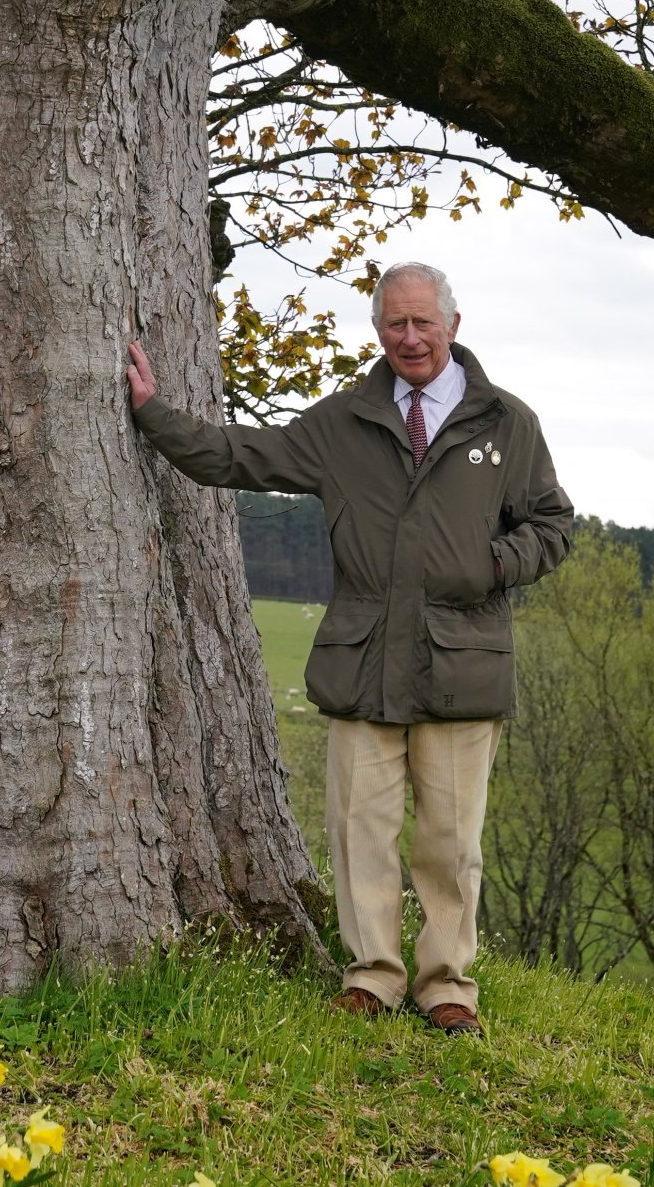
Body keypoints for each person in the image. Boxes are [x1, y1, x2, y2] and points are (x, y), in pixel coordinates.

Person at [125, 261, 572, 1035]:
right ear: (378, 331)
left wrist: (494, 564)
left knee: (449, 841)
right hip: (362, 660)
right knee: (359, 831)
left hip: (463, 664)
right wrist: (155, 415)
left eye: (423, 323)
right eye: (394, 324)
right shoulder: (344, 422)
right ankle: (372, 975)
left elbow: (554, 525)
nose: (409, 338)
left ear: (453, 327)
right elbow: (239, 455)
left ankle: (447, 986)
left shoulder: (508, 423)